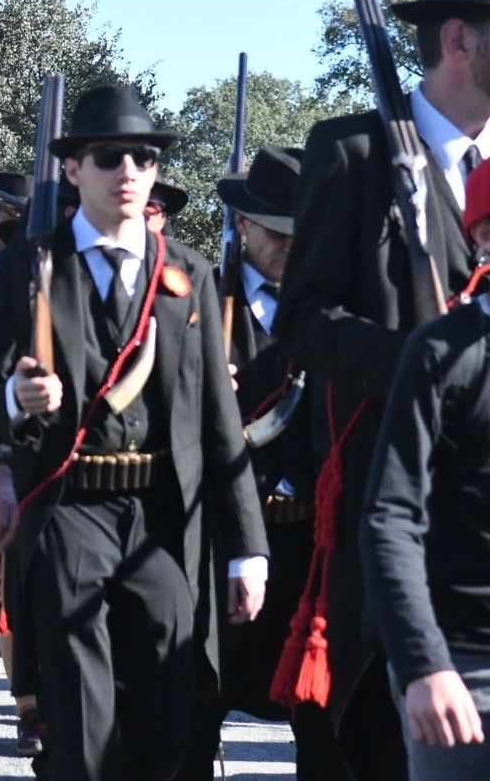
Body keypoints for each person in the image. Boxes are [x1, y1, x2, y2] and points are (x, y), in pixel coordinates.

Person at [0, 83, 268, 781]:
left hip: (164, 515)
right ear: (73, 170)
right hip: (71, 506)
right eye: (110, 157)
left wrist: (247, 546)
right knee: (83, 722)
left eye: (143, 156)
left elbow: (220, 425)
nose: (128, 171)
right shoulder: (31, 266)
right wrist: (14, 399)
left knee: (171, 718)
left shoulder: (186, 272)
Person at [277, 0, 490, 778]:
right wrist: (418, 363)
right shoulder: (354, 152)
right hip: (385, 491)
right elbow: (304, 319)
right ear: (458, 40)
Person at [203, 146, 336, 776]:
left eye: (300, 233)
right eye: (277, 232)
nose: (289, 245)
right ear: (245, 227)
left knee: (323, 726)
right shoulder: (204, 302)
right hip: (225, 535)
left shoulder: (337, 308)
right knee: (196, 710)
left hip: (314, 541)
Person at [361, 158, 490, 779]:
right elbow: (390, 516)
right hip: (463, 669)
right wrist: (424, 664)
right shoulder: (441, 353)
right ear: (483, 235)